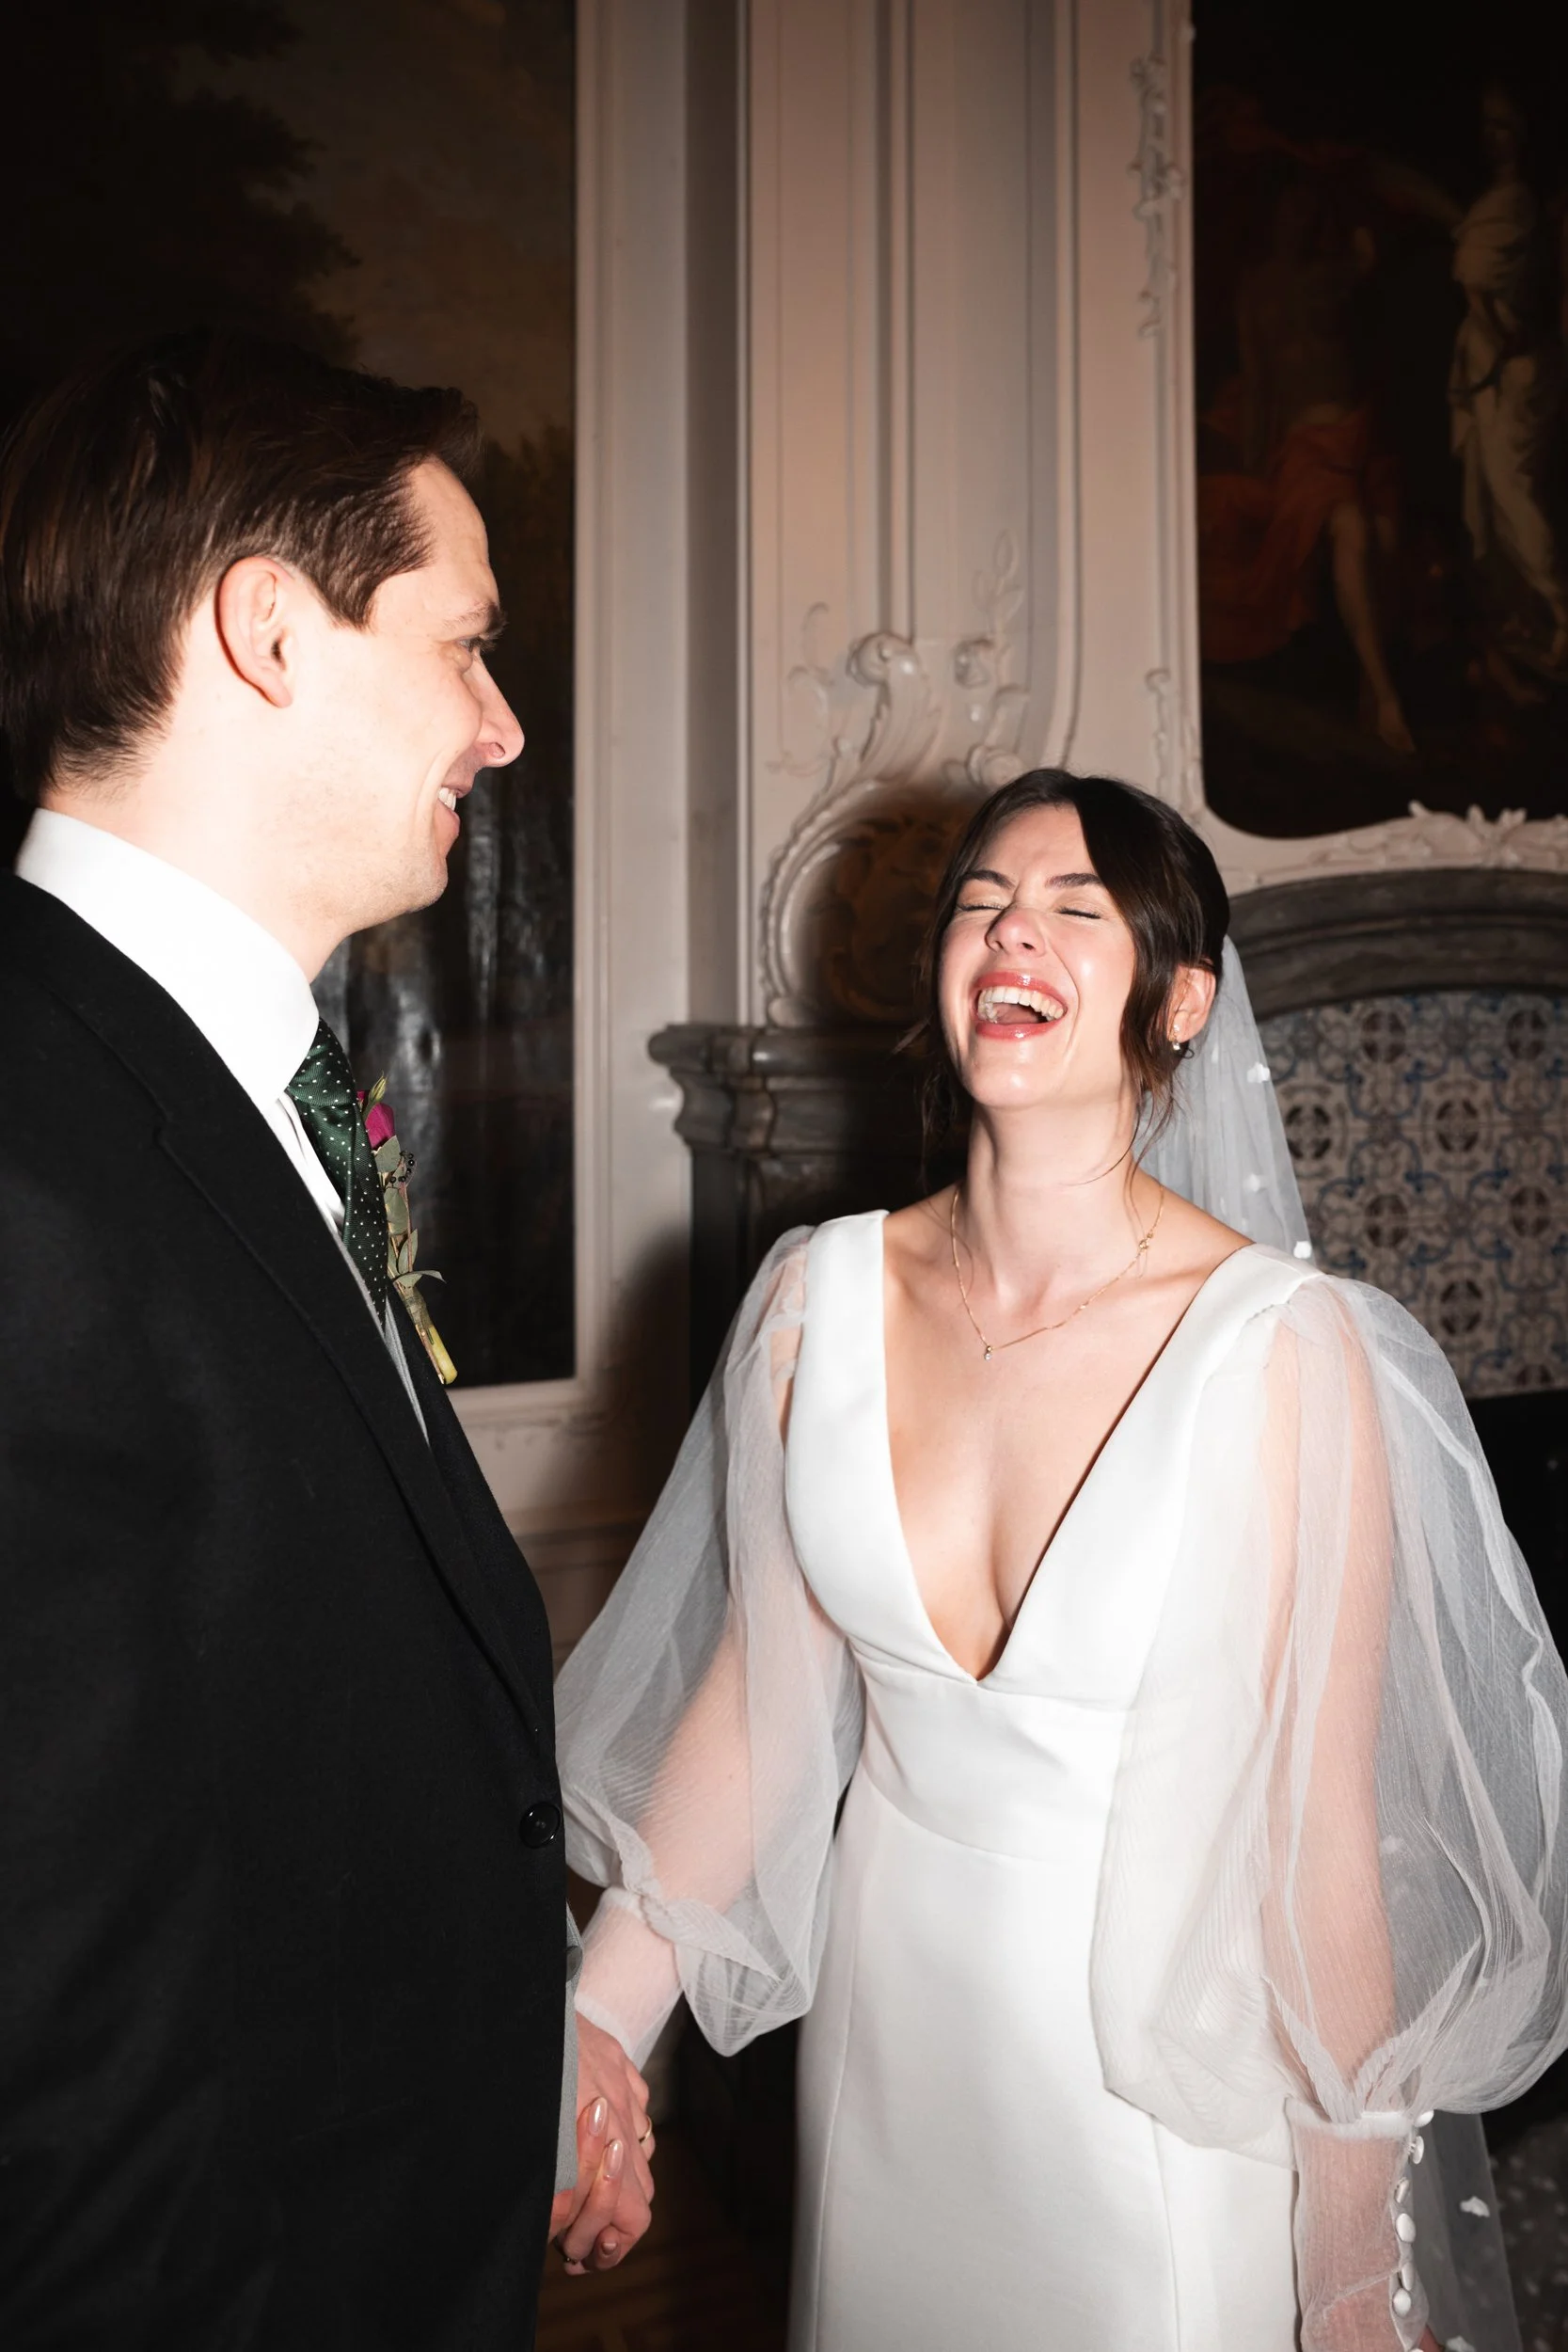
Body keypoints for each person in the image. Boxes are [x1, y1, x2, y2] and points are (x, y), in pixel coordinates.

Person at [556, 770, 1568, 2352]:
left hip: (1161, 2092)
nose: (1009, 934)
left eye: (1072, 911)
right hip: (891, 2061)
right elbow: (756, 1713)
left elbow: (1322, 1846)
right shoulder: (811, 1306)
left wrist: (1346, 2282)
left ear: (1178, 1005)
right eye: (978, 904)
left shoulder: (1289, 1359)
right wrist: (600, 2025)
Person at [0, 330, 649, 2347]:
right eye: (461, 644)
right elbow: (54, 2040)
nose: (504, 723)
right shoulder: (28, 1163)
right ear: (268, 632)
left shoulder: (248, 1085)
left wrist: (512, 2048)